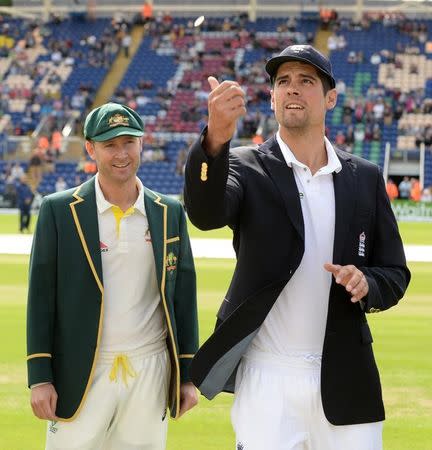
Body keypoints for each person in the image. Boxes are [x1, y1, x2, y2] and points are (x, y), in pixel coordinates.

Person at [184, 45, 410, 450]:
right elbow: (205, 215)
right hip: (267, 375)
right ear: (271, 98)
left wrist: (367, 284)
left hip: (346, 373)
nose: (293, 90)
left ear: (330, 98)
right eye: (283, 82)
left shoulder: (365, 177)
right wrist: (214, 141)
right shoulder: (243, 165)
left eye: (306, 81)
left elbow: (394, 272)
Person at [27, 102, 199, 450]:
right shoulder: (59, 210)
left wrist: (187, 375)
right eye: (109, 145)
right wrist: (40, 377)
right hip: (82, 369)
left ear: (141, 144)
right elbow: (41, 297)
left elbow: (183, 296)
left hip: (149, 370)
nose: (120, 154)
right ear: (90, 148)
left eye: (128, 142)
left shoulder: (170, 212)